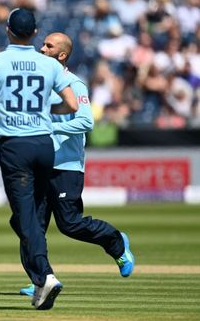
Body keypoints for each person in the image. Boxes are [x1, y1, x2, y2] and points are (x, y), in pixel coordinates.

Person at [0, 8, 78, 310]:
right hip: (45, 145)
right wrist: (44, 112)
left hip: (15, 147)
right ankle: (39, 282)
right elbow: (71, 104)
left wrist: (7, 109)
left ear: (7, 30)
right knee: (29, 215)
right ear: (34, 33)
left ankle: (44, 275)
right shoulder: (49, 64)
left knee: (26, 217)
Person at [19, 32, 135, 297]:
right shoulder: (37, 84)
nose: (42, 48)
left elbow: (86, 122)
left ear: (62, 55)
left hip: (67, 166)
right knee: (32, 226)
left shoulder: (74, 84)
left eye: (49, 46)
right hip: (40, 166)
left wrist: (49, 130)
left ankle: (116, 243)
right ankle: (40, 278)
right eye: (43, 43)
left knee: (69, 223)